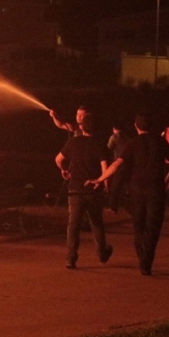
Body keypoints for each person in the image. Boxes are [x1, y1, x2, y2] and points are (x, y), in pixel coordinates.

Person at [87, 114, 169, 276]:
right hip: (156, 190)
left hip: (136, 191)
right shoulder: (160, 141)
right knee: (153, 227)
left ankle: (142, 258)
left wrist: (100, 179)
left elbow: (116, 165)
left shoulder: (132, 144)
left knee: (138, 227)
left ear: (136, 126)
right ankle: (146, 262)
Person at [54, 114, 114, 269]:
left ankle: (71, 258)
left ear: (81, 127)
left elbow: (58, 159)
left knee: (73, 224)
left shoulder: (73, 142)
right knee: (96, 223)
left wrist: (65, 170)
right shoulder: (100, 145)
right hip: (93, 190)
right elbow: (105, 168)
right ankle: (102, 254)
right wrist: (106, 184)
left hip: (75, 190)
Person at [106, 123, 130, 213]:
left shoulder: (114, 137)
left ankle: (113, 207)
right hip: (128, 164)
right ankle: (130, 206)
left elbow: (108, 149)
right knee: (127, 186)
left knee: (115, 187)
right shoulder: (127, 138)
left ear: (114, 128)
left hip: (118, 164)